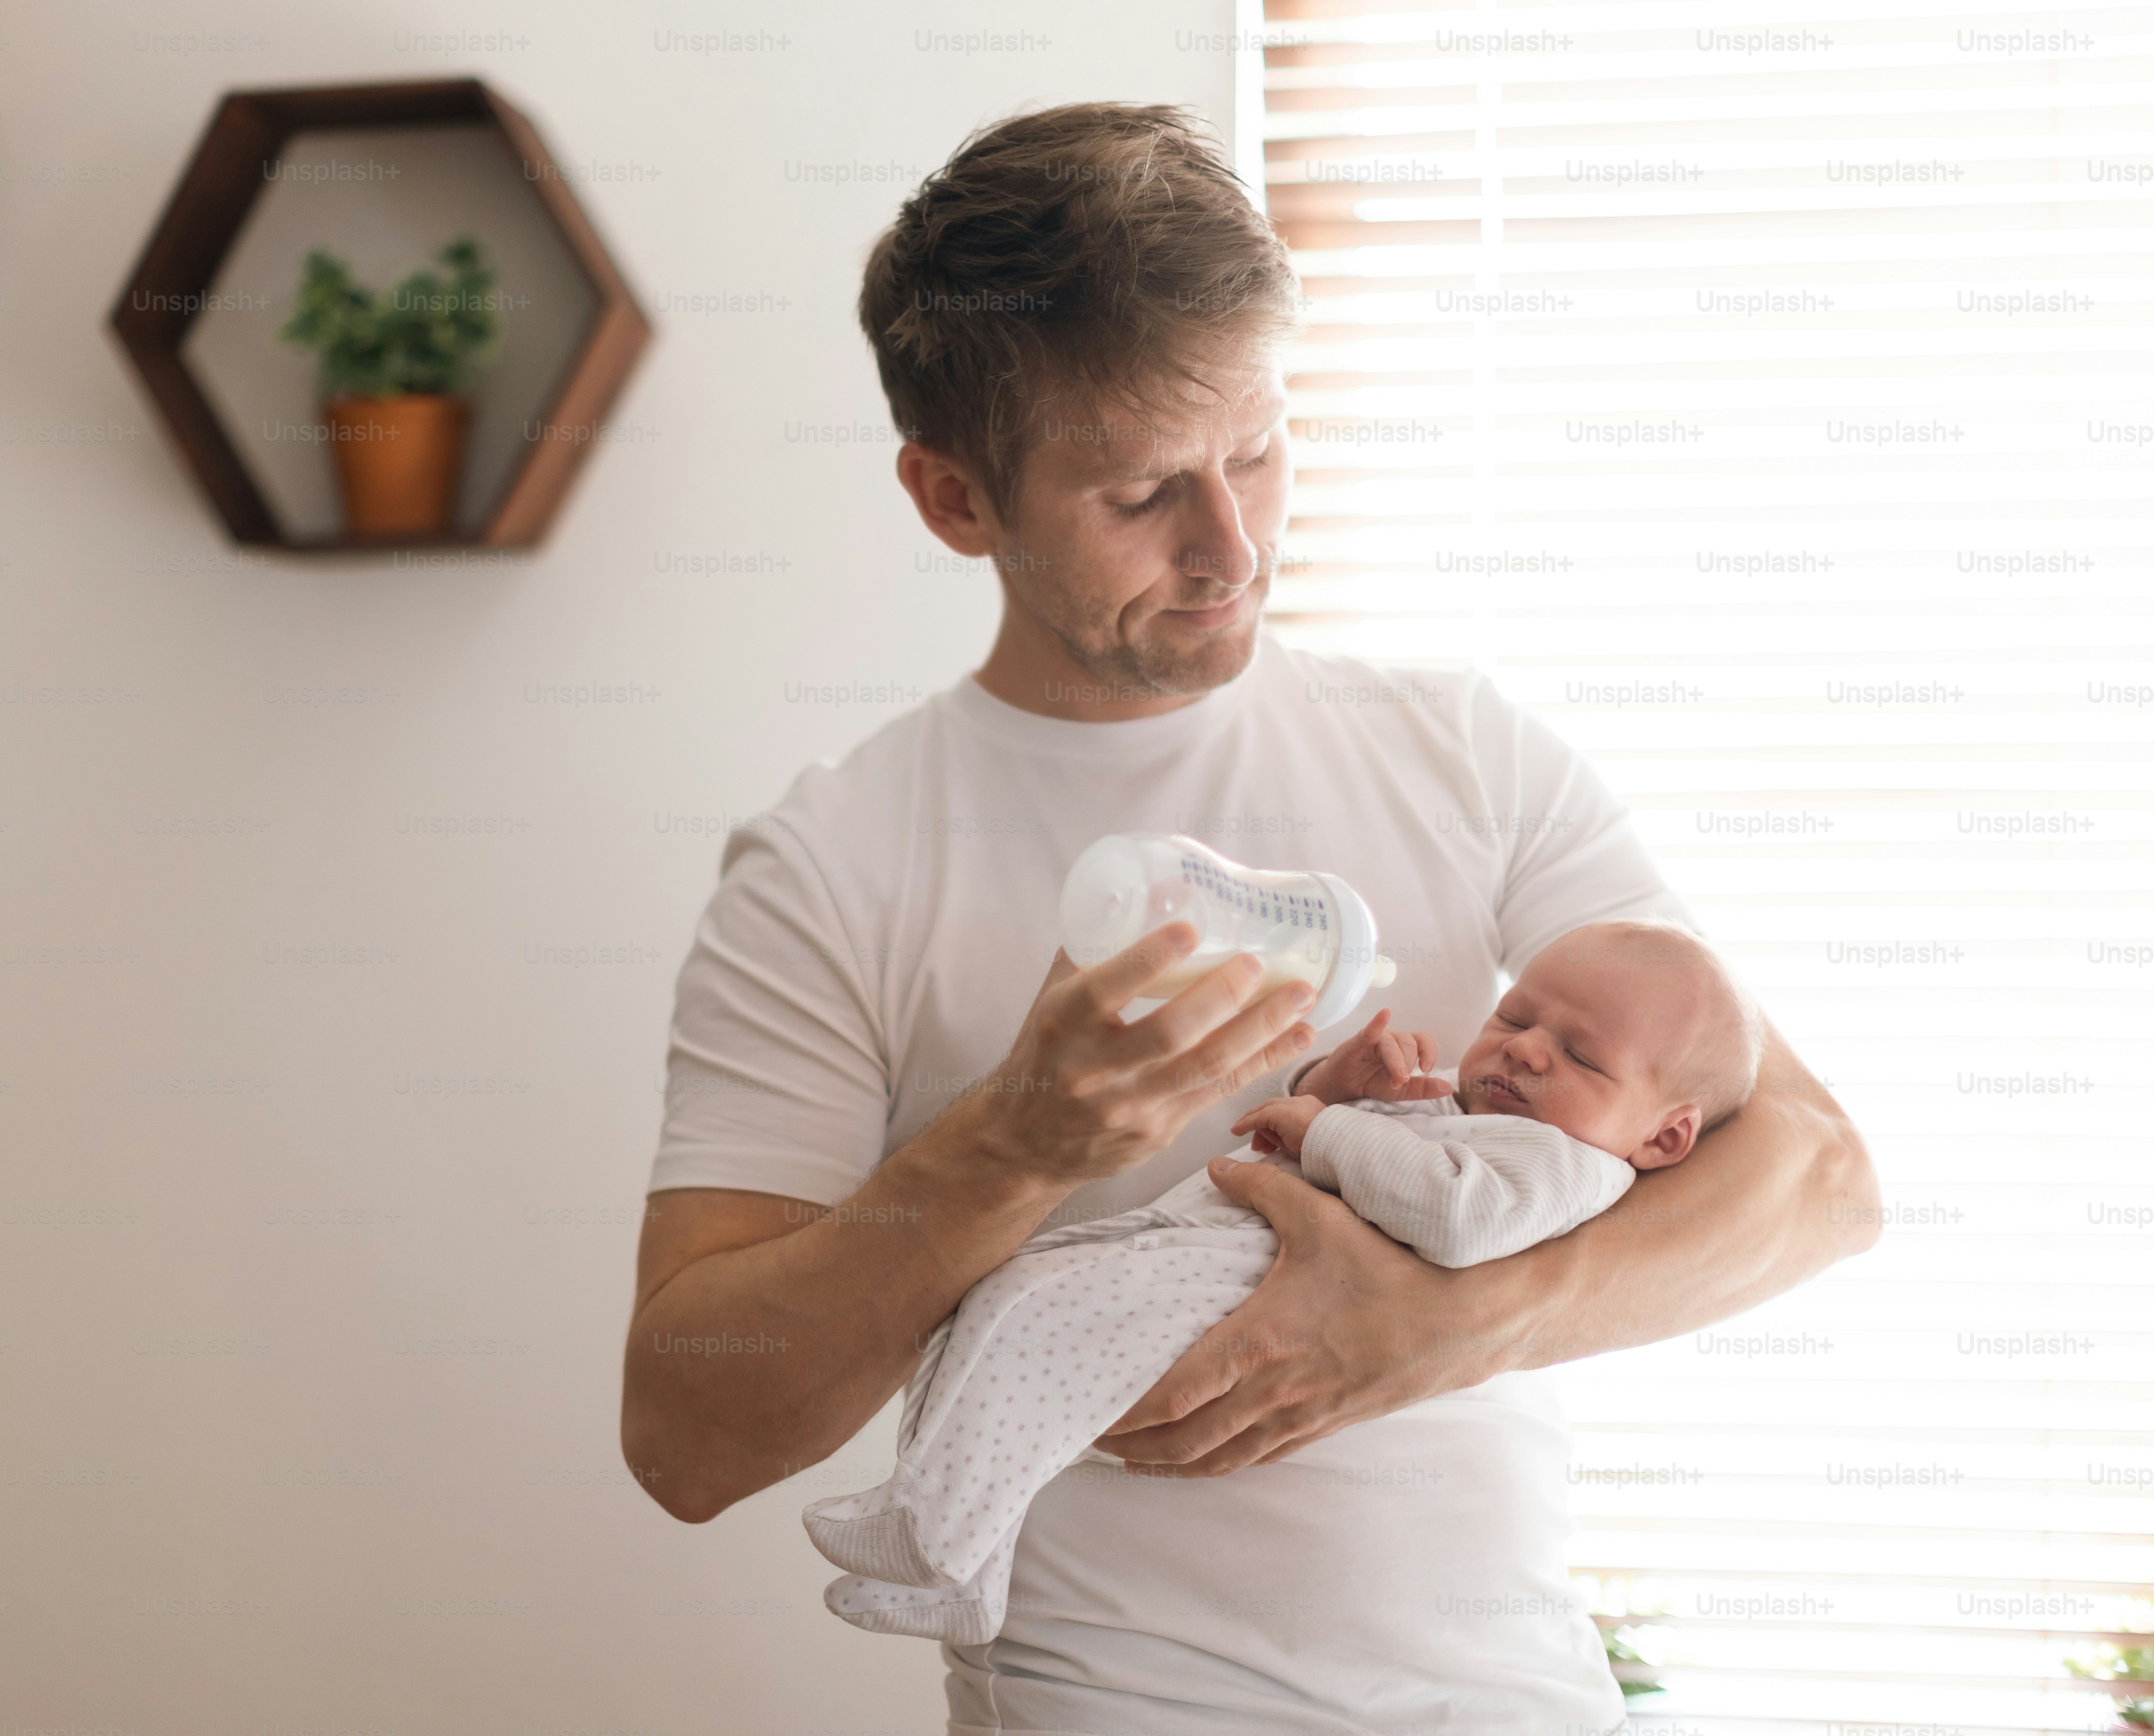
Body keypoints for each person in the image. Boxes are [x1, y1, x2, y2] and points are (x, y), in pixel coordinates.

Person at [620, 101, 1878, 1736]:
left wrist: (1434, 1326)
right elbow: (684, 1434)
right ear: (953, 499)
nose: (1232, 547)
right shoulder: (830, 865)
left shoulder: (1457, 748)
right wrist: (1010, 1141)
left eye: (1261, 450)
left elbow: (1814, 1179)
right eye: (1142, 490)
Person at [802, 922, 1766, 1647]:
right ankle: (962, 1548)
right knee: (998, 1297)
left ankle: (934, 1525)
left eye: (1580, 1053)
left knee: (1026, 1316)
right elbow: (1369, 1158)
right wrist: (1335, 1086)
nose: (1523, 1047)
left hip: (1243, 1279)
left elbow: (1458, 1217)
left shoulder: (1569, 1165)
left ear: (1664, 1135)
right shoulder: (1463, 1113)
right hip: (1213, 1243)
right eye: (1515, 1016)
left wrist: (1325, 1128)